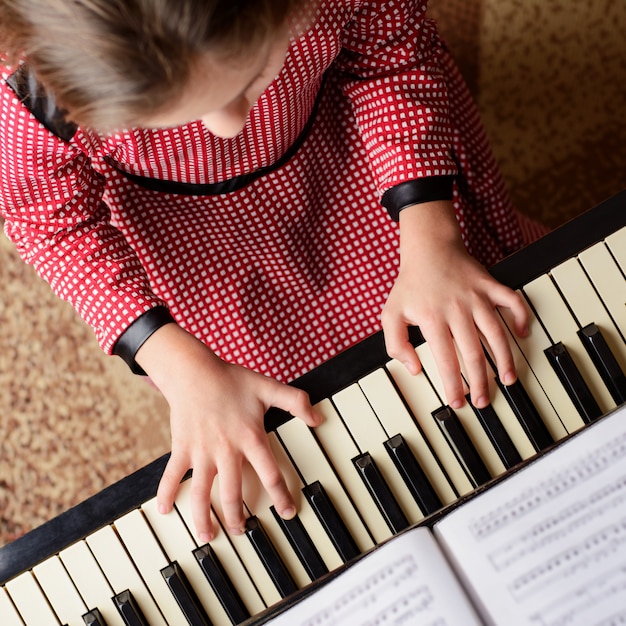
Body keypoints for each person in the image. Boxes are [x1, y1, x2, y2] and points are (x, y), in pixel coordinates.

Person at [0, 0, 546, 542]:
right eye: (184, 112)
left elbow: (390, 53)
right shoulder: (37, 85)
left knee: (482, 302)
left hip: (354, 138)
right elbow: (50, 221)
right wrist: (176, 363)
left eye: (251, 76)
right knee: (276, 412)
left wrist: (434, 237)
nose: (229, 125)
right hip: (188, 234)